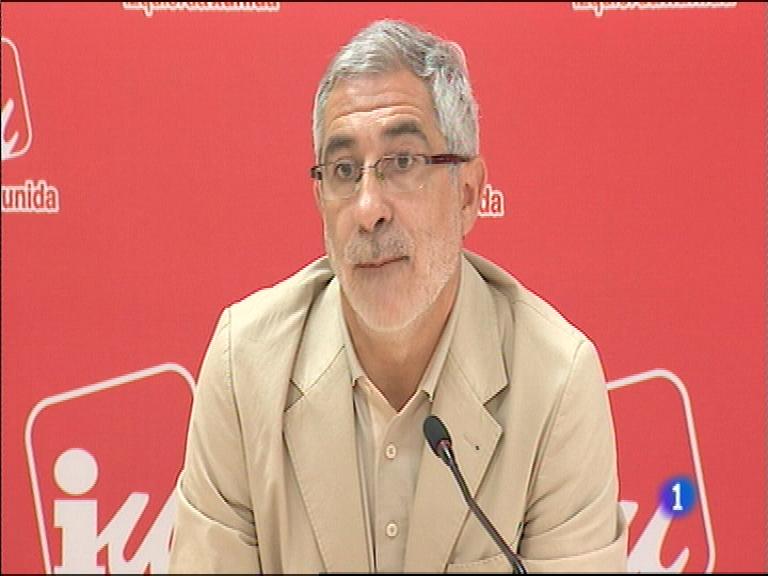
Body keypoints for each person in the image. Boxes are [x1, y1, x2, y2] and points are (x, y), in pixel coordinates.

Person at [168, 19, 628, 574]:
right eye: (344, 170)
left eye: (402, 163)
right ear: (320, 200)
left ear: (467, 194)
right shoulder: (244, 365)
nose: (368, 210)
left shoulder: (555, 381)